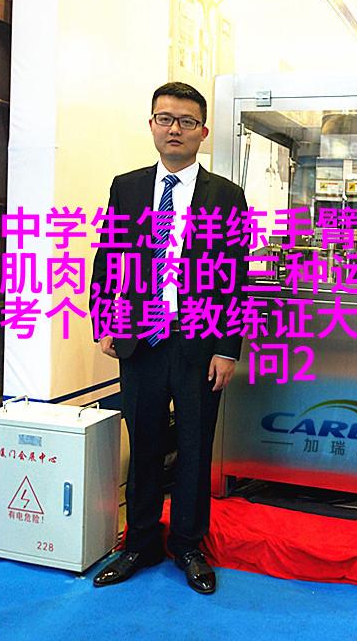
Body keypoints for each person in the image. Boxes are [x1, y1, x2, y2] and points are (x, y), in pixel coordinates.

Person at [90, 82, 248, 593]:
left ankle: (187, 544)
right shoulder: (127, 187)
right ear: (152, 125)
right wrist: (103, 318)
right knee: (145, 442)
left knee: (195, 446)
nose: (174, 128)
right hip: (140, 339)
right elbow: (108, 256)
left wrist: (227, 347)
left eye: (186, 121)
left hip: (200, 340)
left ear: (203, 131)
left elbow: (236, 276)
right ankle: (138, 543)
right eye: (165, 118)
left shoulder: (226, 195)